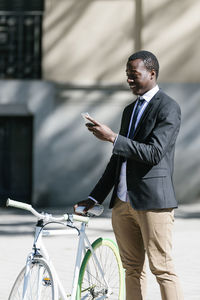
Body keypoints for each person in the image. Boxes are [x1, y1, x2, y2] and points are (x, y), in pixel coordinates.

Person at [74, 50, 184, 300]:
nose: (129, 80)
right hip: (122, 204)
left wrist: (113, 137)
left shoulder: (168, 107)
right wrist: (94, 198)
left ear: (152, 73)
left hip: (153, 203)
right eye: (127, 75)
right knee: (132, 270)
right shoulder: (129, 110)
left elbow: (155, 153)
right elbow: (118, 159)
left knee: (162, 269)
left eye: (134, 75)